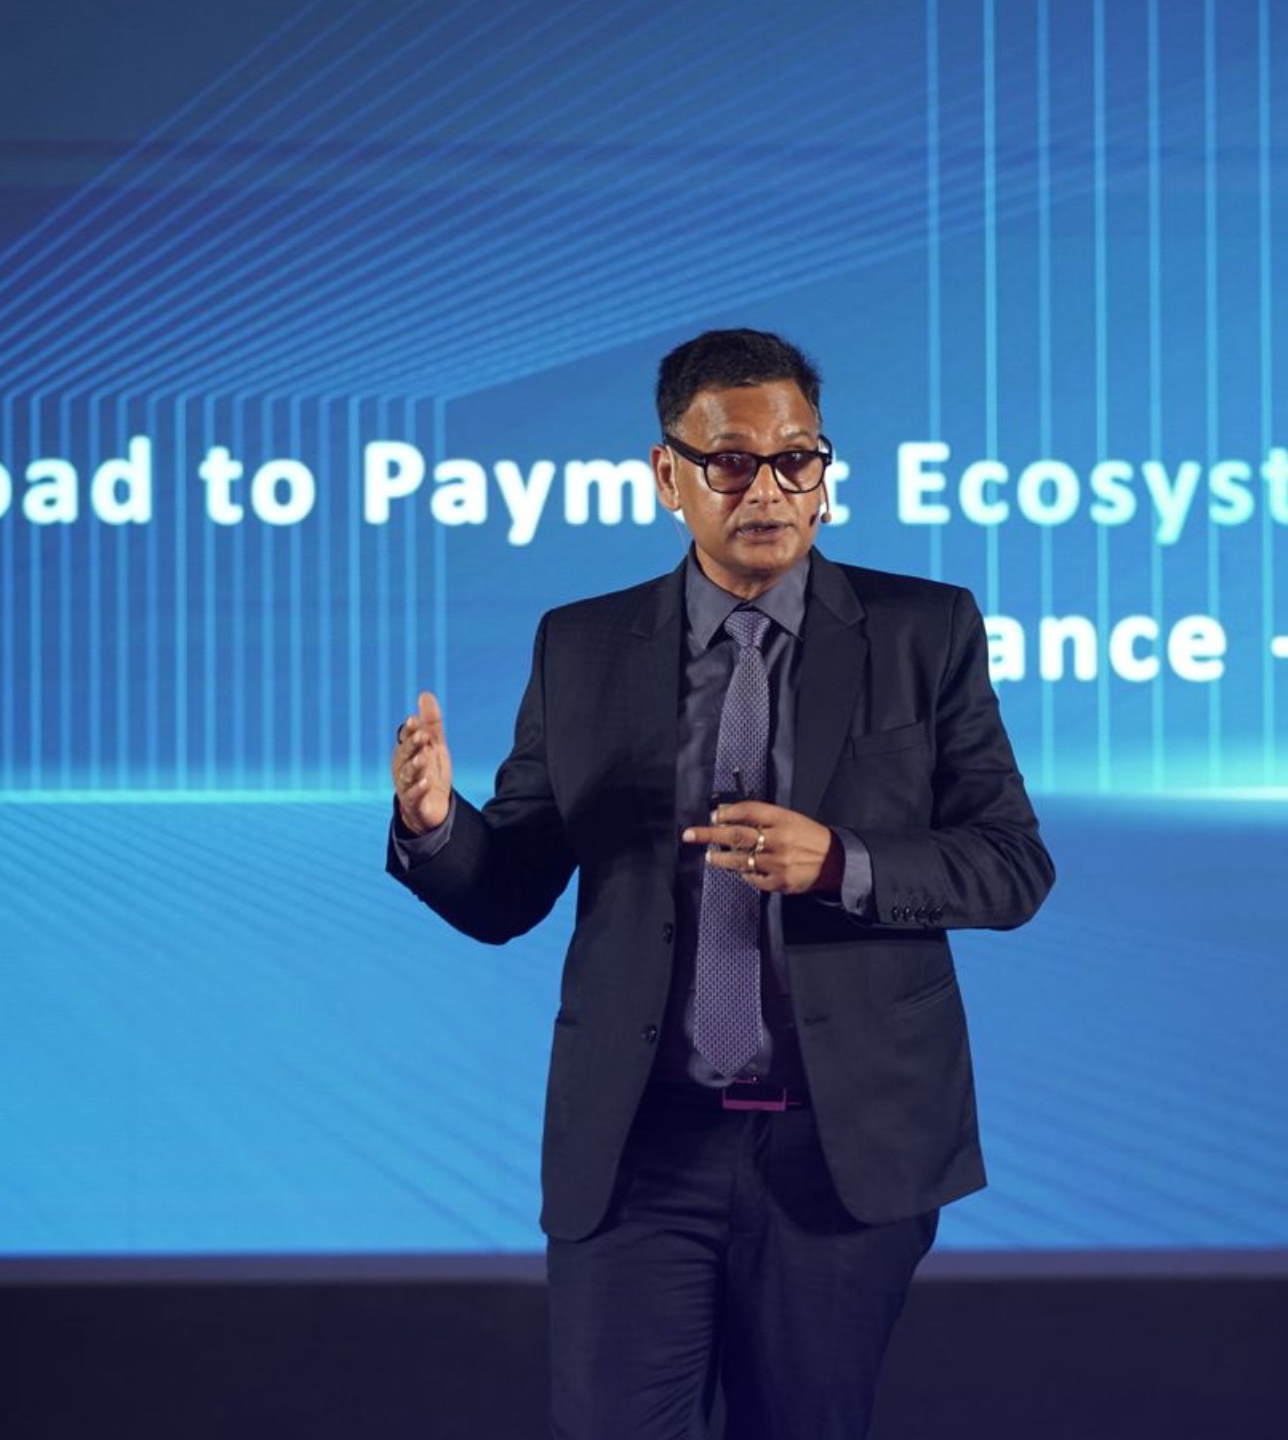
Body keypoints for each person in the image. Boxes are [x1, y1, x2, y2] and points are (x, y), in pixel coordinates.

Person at [384, 328, 1054, 1439]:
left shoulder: (922, 631)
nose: (770, 489)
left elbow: (1012, 864)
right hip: (641, 1145)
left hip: (838, 1147)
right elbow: (508, 891)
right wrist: (435, 825)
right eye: (733, 462)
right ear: (669, 475)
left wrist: (840, 862)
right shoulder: (582, 647)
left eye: (797, 459)